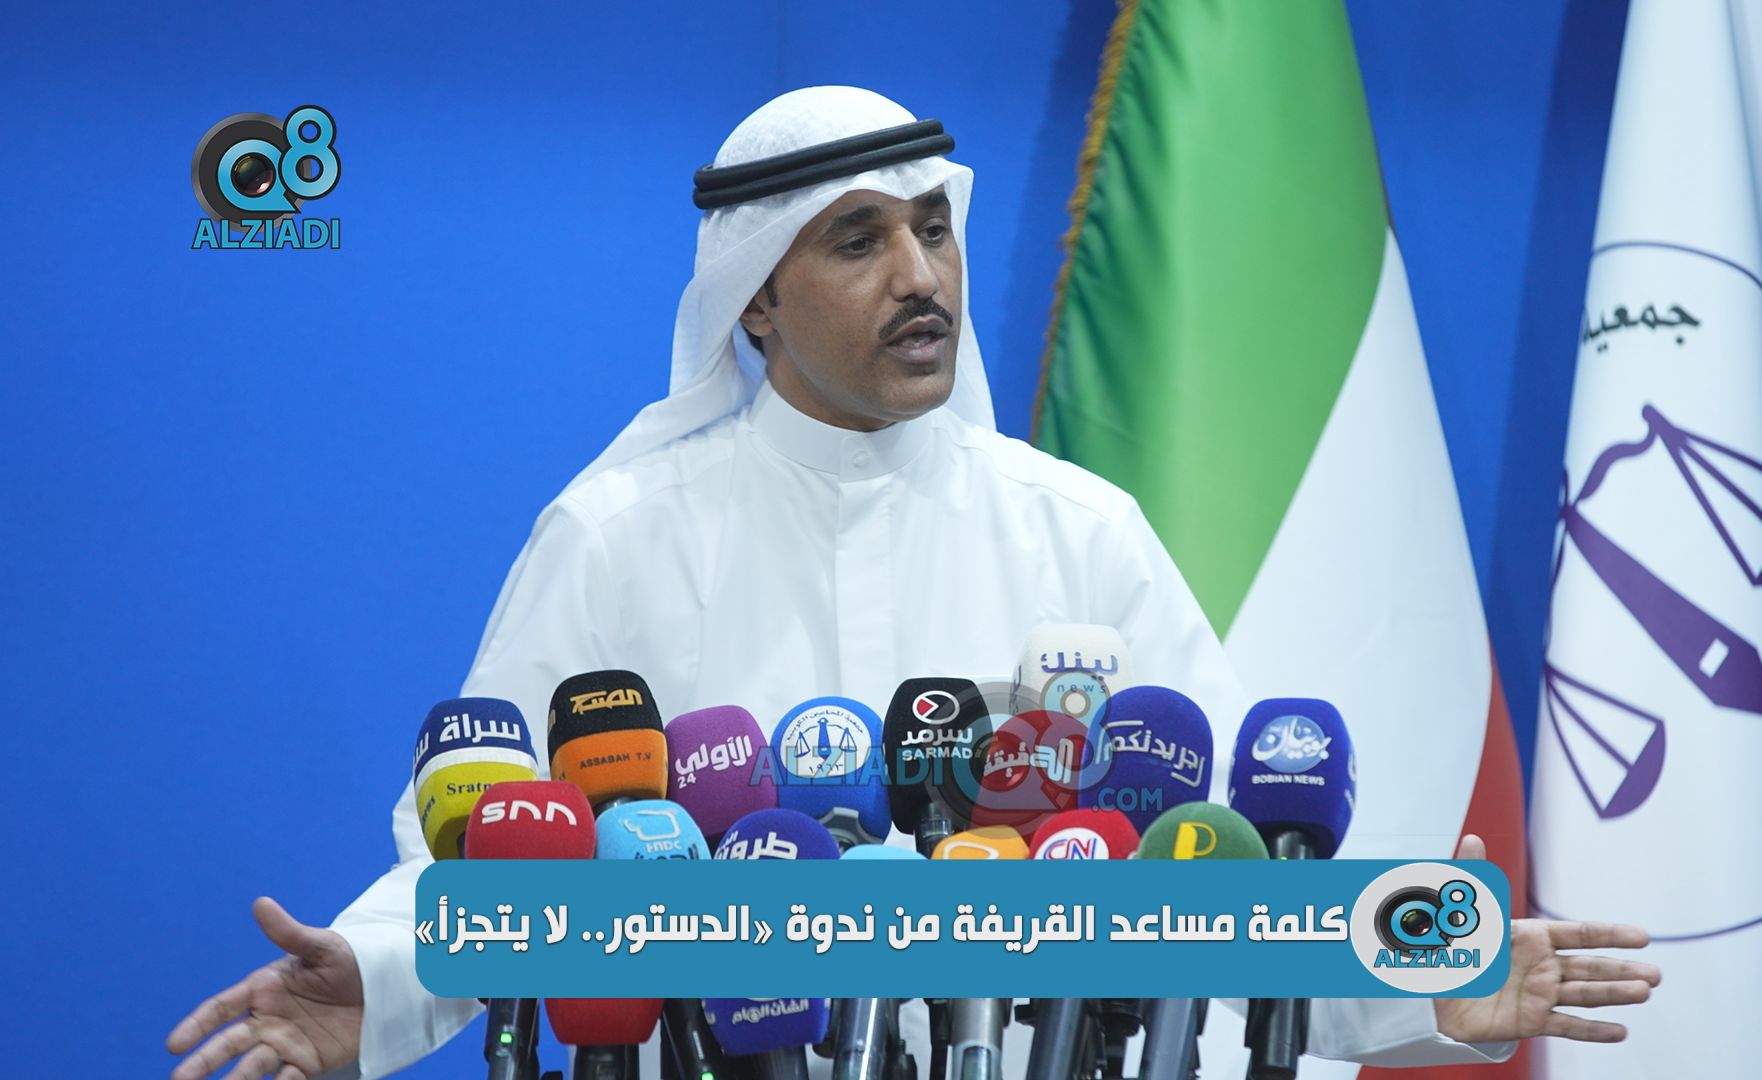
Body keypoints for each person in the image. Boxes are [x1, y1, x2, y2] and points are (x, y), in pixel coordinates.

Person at [167, 87, 1660, 1080]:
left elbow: (1216, 874)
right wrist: (375, 982)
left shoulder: (1079, 533)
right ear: (756, 297)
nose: (922, 277)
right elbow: (496, 853)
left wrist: (1426, 981)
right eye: (860, 240)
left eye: (933, 228)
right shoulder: (616, 536)